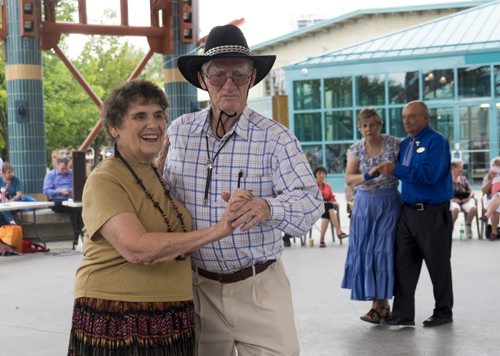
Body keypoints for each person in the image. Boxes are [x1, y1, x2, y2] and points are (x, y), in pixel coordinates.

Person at [160, 25, 323, 356]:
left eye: (240, 74)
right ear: (203, 80)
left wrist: (268, 208)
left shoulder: (276, 139)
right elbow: (164, 199)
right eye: (219, 75)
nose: (229, 84)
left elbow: (310, 203)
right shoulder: (180, 132)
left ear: (252, 79)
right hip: (196, 289)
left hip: (259, 288)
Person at [67, 80, 244, 355]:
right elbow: (137, 248)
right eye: (140, 116)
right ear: (114, 128)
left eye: (159, 115)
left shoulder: (151, 173)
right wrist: (219, 230)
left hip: (170, 316)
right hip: (120, 317)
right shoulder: (106, 178)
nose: (154, 124)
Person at [379, 100, 454, 327]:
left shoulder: (436, 142)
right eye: (404, 117)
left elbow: (429, 175)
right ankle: (403, 314)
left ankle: (443, 312)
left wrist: (397, 169)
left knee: (438, 265)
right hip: (408, 213)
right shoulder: (405, 145)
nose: (407, 121)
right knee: (403, 263)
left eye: (412, 116)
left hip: (432, 213)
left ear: (425, 118)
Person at [341, 108, 401, 323]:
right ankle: (380, 306)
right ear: (360, 127)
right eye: (365, 125)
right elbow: (349, 179)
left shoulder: (395, 143)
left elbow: (406, 167)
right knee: (367, 251)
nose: (369, 129)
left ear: (380, 125)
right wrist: (368, 174)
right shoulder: (356, 149)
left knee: (383, 250)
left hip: (389, 202)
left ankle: (380, 306)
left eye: (373, 124)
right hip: (364, 203)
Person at [43, 157, 82, 239]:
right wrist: (59, 191)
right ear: (57, 166)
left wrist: (71, 191)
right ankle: (78, 234)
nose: (65, 171)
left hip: (70, 199)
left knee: (78, 208)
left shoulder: (70, 173)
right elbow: (46, 190)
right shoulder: (50, 175)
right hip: (57, 200)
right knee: (73, 209)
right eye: (62, 169)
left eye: (66, 169)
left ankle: (81, 234)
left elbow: (77, 186)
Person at [313, 166, 348, 247]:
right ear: (315, 175)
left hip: (326, 208)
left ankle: (322, 240)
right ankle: (338, 231)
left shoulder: (328, 186)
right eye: (319, 173)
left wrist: (334, 202)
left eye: (323, 173)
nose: (322, 175)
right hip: (316, 208)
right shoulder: (313, 186)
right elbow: (312, 199)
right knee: (329, 207)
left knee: (329, 209)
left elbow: (332, 197)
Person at [449, 159, 476, 239]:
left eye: (462, 167)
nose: (461, 170)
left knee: (473, 208)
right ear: (452, 168)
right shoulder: (447, 180)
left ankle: (468, 226)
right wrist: (452, 199)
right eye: (460, 167)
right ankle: (450, 228)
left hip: (464, 201)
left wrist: (468, 198)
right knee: (456, 209)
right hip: (452, 201)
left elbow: (472, 191)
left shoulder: (463, 179)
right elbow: (443, 192)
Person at [480, 157, 500, 240]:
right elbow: (484, 191)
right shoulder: (487, 177)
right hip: (491, 201)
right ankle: (494, 232)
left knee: (498, 196)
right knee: (496, 205)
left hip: (494, 200)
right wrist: (491, 179)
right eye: (496, 164)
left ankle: (486, 216)